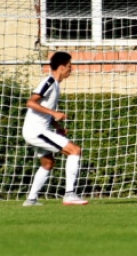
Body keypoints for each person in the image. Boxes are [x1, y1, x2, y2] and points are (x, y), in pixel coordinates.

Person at [22, 51, 88, 206]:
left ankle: (31, 200)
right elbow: (31, 102)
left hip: (37, 130)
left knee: (48, 163)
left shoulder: (55, 84)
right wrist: (54, 113)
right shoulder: (49, 81)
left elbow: (42, 110)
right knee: (75, 150)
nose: (71, 69)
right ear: (61, 67)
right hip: (35, 131)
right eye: (69, 66)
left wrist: (57, 126)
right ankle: (70, 195)